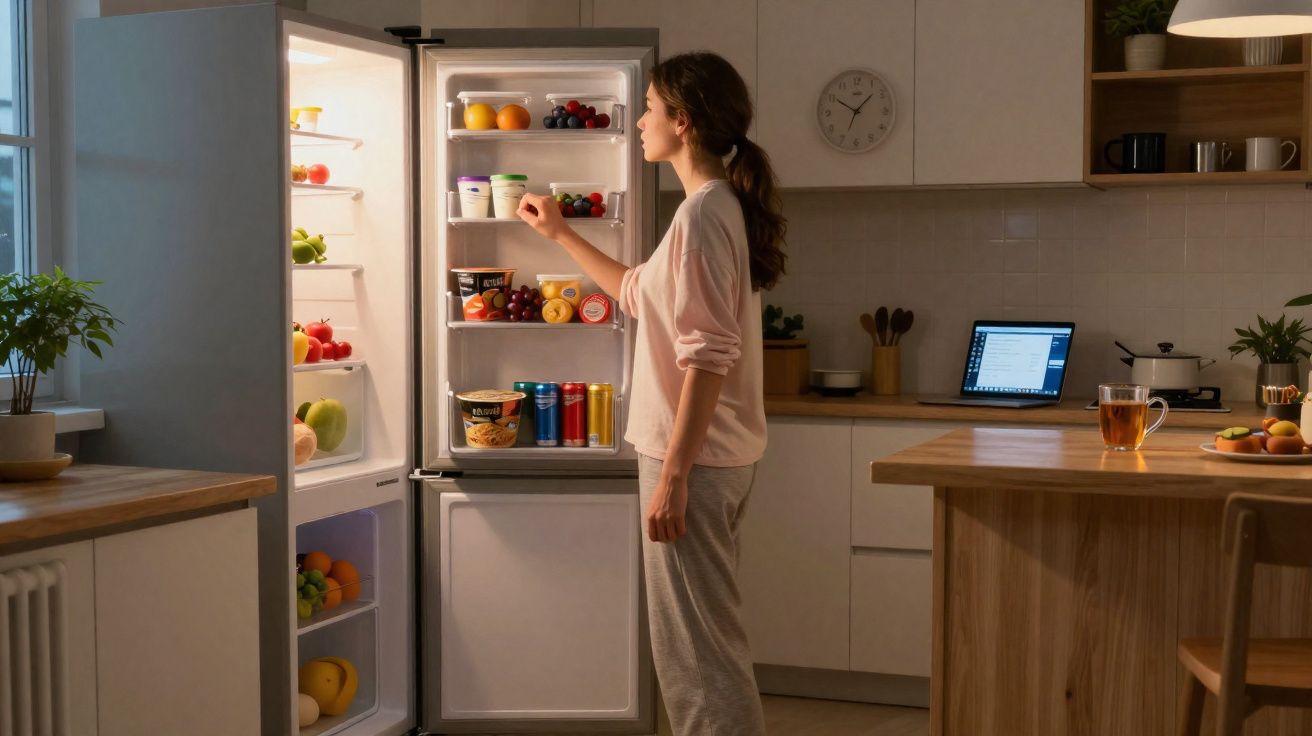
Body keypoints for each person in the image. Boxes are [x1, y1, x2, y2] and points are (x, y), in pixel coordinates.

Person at [517, 51, 787, 736]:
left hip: (693, 460)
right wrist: (560, 233)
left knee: (699, 660)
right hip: (714, 458)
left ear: (683, 122)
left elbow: (707, 358)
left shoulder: (702, 217)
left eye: (651, 109)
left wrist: (673, 475)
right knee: (703, 648)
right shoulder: (711, 208)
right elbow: (638, 292)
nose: (639, 121)